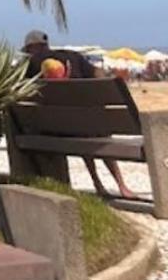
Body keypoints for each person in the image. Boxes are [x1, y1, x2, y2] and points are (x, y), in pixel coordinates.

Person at [22, 30, 136, 200]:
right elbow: (98, 73)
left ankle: (97, 183)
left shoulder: (32, 63)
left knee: (80, 130)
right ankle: (122, 185)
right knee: (97, 131)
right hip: (93, 121)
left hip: (64, 127)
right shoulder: (73, 55)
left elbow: (24, 90)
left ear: (33, 47)